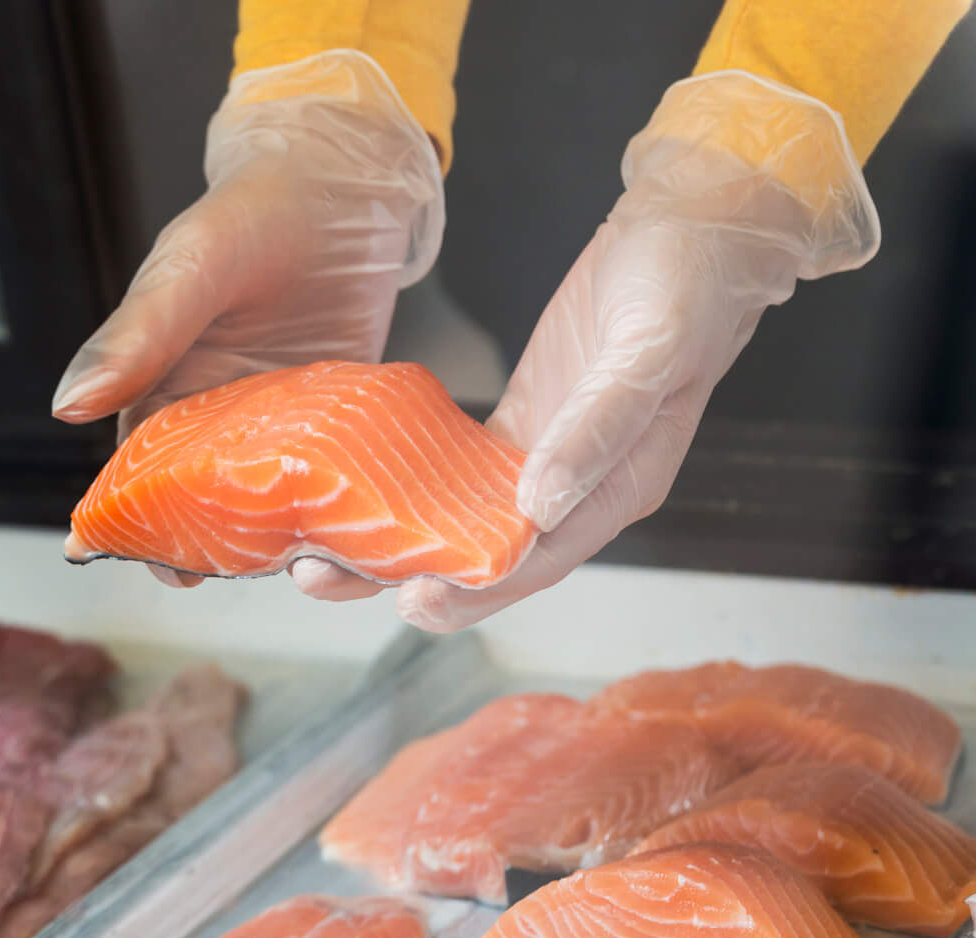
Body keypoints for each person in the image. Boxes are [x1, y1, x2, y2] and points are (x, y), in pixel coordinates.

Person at [54, 0, 969, 630]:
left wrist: (749, 173)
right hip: (528, 75)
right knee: (587, 429)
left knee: (814, 454)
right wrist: (332, 98)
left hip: (883, 86)